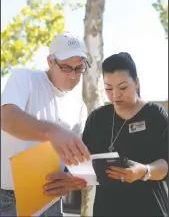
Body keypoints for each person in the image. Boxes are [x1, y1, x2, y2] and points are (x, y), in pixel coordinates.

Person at [44, 52, 168, 216]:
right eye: (108, 88)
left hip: (150, 209)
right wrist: (69, 179)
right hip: (107, 209)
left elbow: (166, 163)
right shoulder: (97, 118)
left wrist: (143, 172)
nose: (115, 95)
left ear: (136, 82)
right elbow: (83, 164)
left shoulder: (155, 114)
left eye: (123, 87)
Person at [1, 33, 91, 216]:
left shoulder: (79, 106)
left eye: (79, 68)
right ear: (50, 61)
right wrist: (51, 132)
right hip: (10, 201)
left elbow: (75, 163)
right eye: (66, 67)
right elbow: (7, 118)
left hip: (51, 202)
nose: (73, 75)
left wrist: (70, 180)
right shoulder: (25, 79)